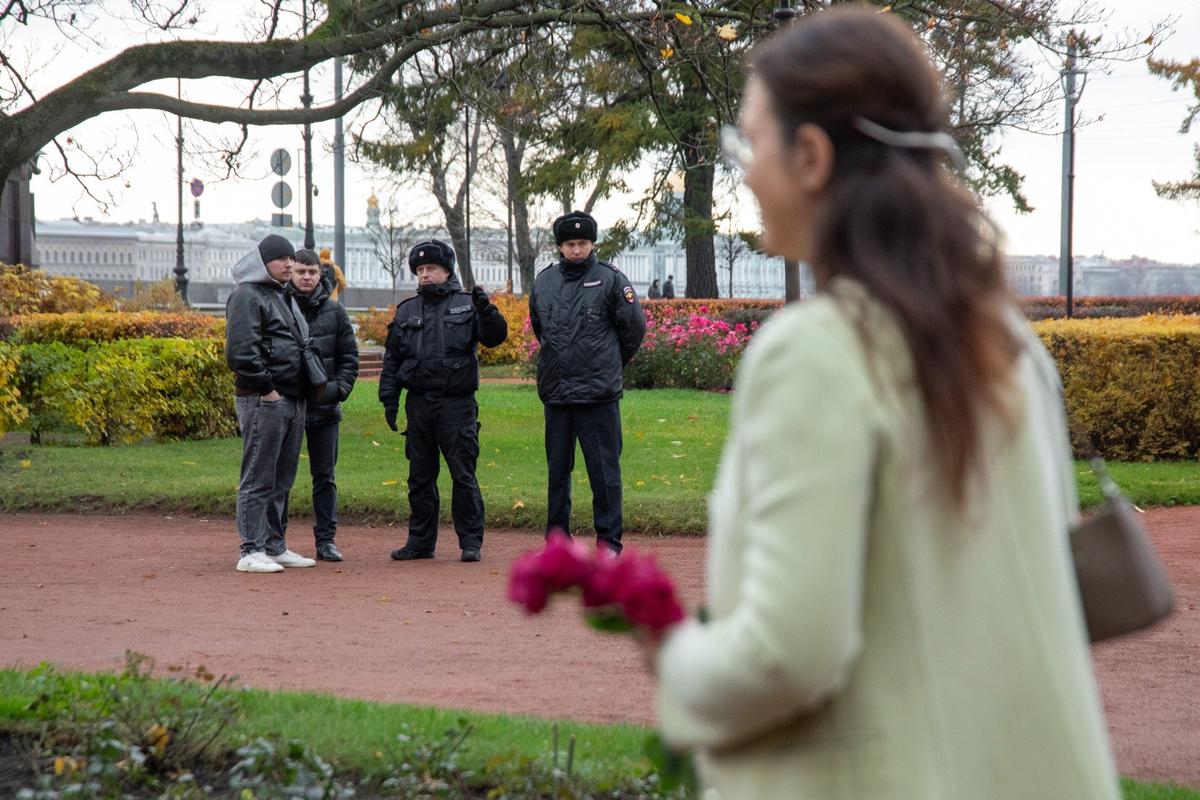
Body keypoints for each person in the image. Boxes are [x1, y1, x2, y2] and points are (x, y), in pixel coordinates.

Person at [651, 8, 1120, 800]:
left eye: (749, 142)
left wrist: (674, 663)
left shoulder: (819, 351)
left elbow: (788, 650)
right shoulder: (1003, 343)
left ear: (810, 155)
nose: (743, 170)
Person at [378, 240, 508, 562]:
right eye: (420, 270)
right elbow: (393, 359)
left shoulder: (467, 304)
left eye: (430, 269)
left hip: (456, 404)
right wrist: (389, 399)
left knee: (463, 474)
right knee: (420, 476)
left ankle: (470, 543)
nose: (424, 275)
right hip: (419, 403)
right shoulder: (407, 310)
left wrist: (487, 310)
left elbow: (495, 337)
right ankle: (420, 542)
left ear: (446, 271)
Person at [528, 210, 646, 554]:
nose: (576, 250)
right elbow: (541, 327)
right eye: (569, 244)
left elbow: (633, 328)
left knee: (604, 473)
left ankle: (609, 542)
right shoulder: (545, 281)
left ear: (592, 244)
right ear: (560, 247)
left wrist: (609, 362)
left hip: (598, 393)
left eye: (582, 243)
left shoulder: (610, 278)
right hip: (558, 391)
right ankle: (556, 539)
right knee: (558, 472)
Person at [225, 233, 316, 573]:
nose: (289, 264)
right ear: (262, 262)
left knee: (282, 477)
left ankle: (275, 546)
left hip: (292, 398)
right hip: (264, 399)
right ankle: (251, 550)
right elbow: (241, 352)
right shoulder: (247, 295)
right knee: (259, 476)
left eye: (291, 259)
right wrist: (268, 390)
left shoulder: (281, 295)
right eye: (281, 259)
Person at [291, 249, 359, 562]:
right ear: (292, 272)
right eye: (301, 271)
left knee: (325, 476)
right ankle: (274, 539)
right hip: (287, 406)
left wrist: (337, 390)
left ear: (321, 275)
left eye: (312, 272)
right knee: (281, 477)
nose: (306, 277)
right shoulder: (279, 306)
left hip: (325, 407)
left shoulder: (335, 312)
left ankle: (326, 541)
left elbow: (349, 358)